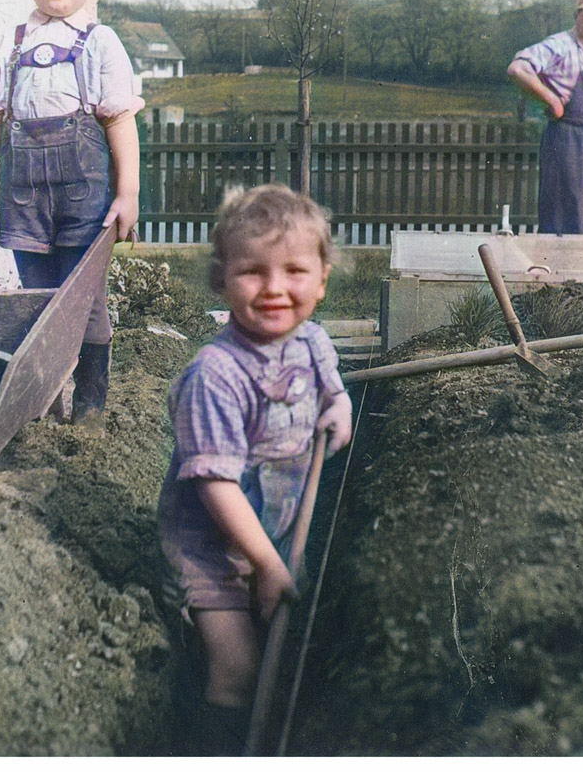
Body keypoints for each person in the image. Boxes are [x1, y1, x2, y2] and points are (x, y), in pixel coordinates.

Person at [157, 184, 354, 755]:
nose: (274, 289)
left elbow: (334, 394)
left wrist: (338, 413)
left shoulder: (312, 343)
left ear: (322, 279)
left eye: (295, 270)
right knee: (238, 671)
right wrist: (266, 565)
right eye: (252, 271)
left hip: (278, 529)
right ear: (221, 279)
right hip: (213, 551)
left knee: (286, 650)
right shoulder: (214, 377)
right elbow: (216, 485)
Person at [0, 0, 142, 436]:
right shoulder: (9, 44)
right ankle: (41, 406)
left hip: (83, 200)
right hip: (25, 201)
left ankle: (88, 411)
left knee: (83, 303)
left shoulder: (101, 43)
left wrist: (126, 193)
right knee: (34, 303)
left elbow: (120, 123)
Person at [507, 0, 583, 234]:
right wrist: (551, 98)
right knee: (564, 215)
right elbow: (517, 69)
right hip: (566, 142)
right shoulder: (559, 45)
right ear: (577, 16)